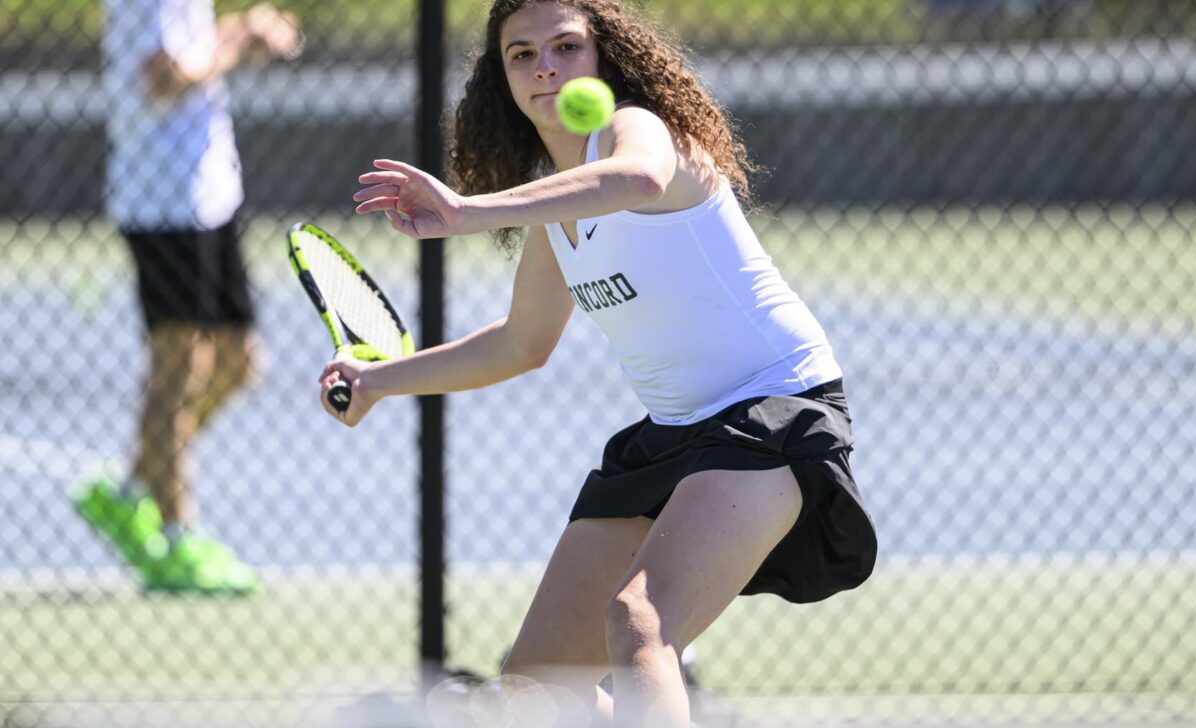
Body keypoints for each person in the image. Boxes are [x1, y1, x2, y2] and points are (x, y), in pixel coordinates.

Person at [322, 0, 877, 724]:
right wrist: (376, 381)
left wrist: (468, 213)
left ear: (603, 56)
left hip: (771, 412)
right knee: (537, 678)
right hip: (675, 434)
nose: (546, 66)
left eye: (565, 46)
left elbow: (640, 179)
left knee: (640, 623)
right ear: (504, 77)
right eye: (522, 54)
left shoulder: (634, 127)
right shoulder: (558, 204)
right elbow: (520, 343)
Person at [73, 0, 303, 594]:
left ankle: (128, 492)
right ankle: (176, 540)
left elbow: (186, 57)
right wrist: (239, 40)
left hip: (209, 195)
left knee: (238, 361)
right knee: (178, 369)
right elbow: (162, 78)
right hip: (162, 203)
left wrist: (239, 31)